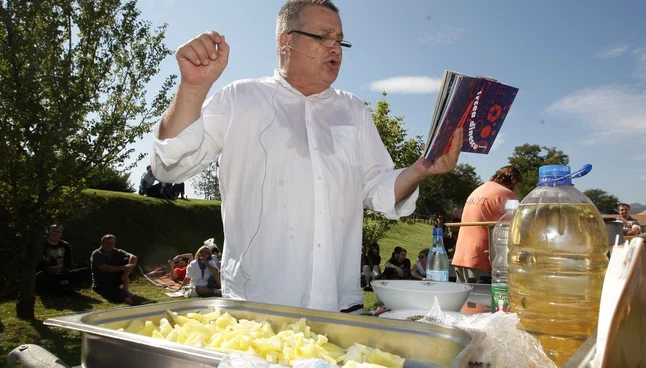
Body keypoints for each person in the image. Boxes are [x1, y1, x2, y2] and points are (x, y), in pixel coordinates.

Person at [148, 0, 462, 312]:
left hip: (340, 307)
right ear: (286, 41)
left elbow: (377, 190)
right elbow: (169, 166)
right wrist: (192, 87)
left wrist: (421, 169)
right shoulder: (241, 98)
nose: (335, 48)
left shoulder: (354, 111)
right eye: (323, 37)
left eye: (340, 41)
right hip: (257, 308)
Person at [452, 165, 522, 284]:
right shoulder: (506, 194)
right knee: (484, 300)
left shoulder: (479, 190)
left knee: (464, 301)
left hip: (461, 256)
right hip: (482, 259)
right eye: (518, 187)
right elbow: (518, 227)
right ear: (514, 181)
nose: (517, 190)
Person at [35, 225, 90, 296]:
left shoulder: (65, 245)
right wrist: (54, 263)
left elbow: (68, 262)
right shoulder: (41, 244)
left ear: (61, 234)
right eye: (53, 231)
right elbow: (40, 260)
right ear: (48, 232)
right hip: (47, 273)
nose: (55, 233)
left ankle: (60, 288)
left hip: (62, 272)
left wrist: (60, 267)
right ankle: (64, 288)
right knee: (41, 276)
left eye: (58, 232)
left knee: (86, 271)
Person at [90, 234, 139, 305]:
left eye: (112, 243)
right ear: (102, 243)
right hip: (102, 283)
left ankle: (125, 291)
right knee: (123, 297)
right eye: (107, 243)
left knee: (127, 260)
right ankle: (125, 296)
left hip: (115, 279)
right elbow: (105, 268)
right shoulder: (97, 254)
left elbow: (133, 257)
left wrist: (126, 273)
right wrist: (123, 268)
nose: (109, 245)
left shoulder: (117, 251)